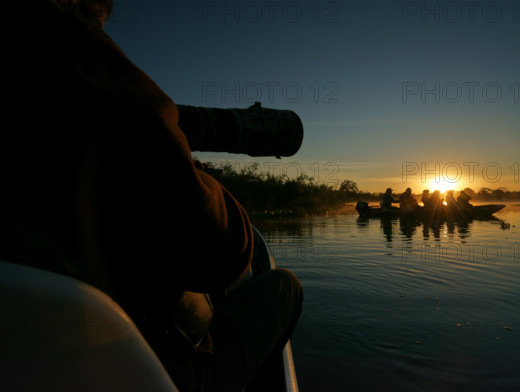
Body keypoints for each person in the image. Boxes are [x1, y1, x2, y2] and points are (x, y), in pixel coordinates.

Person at [1, 1, 302, 391]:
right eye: (96, 21)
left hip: (36, 362)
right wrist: (188, 166)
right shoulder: (65, 52)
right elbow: (225, 252)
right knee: (283, 285)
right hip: (149, 370)